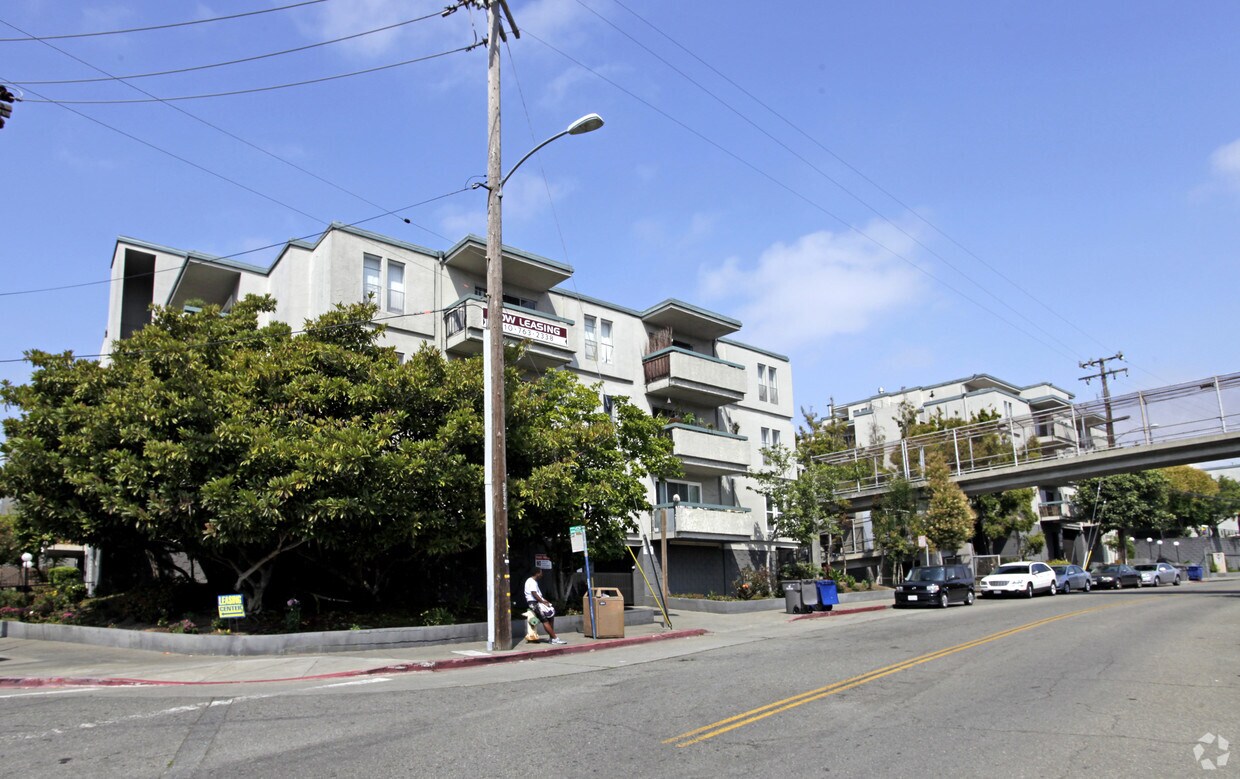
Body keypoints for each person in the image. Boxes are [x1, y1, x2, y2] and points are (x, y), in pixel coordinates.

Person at [523, 568, 566, 644]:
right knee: (544, 620)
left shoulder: (532, 581)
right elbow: (534, 594)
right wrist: (542, 602)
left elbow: (537, 594)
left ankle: (552, 638)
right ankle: (555, 638)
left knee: (550, 617)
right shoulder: (532, 582)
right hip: (534, 603)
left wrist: (544, 601)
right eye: (541, 573)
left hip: (537, 602)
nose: (542, 574)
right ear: (537, 573)